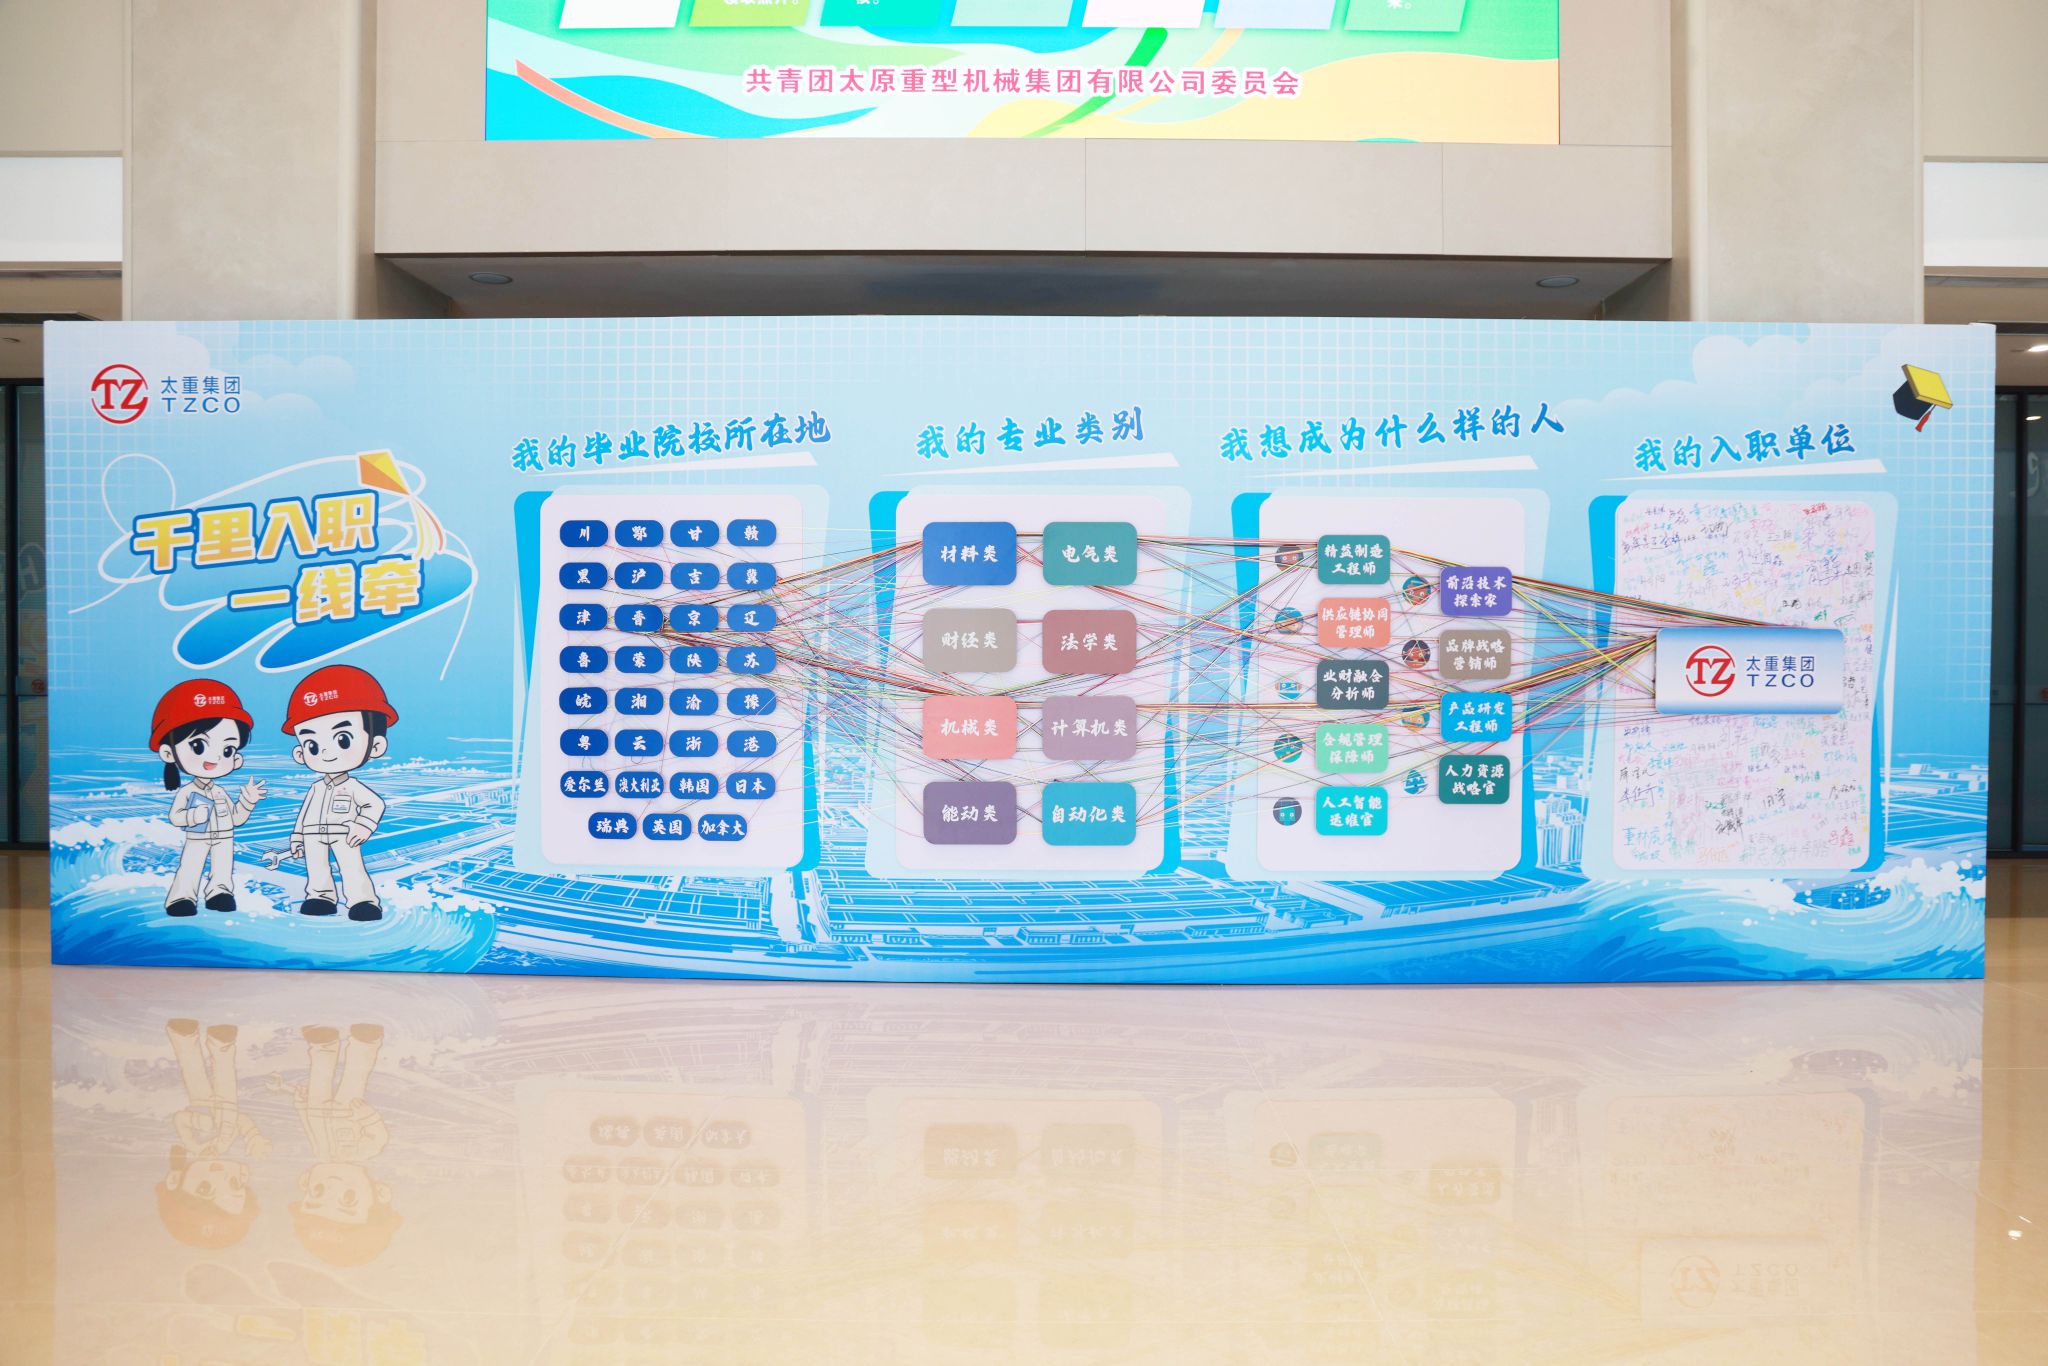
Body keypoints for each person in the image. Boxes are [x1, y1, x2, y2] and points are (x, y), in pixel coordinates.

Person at [283, 665, 397, 922]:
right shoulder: (316, 787)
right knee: (316, 868)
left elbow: (375, 804)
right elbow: (304, 814)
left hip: (344, 833)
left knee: (351, 867)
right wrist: (297, 837)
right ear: (300, 752)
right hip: (312, 834)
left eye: (343, 739)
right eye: (312, 744)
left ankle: (362, 901)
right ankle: (320, 897)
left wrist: (364, 826)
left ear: (376, 745)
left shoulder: (353, 786)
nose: (325, 753)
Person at [281, 1023, 402, 1266]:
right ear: (379, 1194)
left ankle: (323, 1046)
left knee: (319, 1078)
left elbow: (310, 1131)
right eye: (348, 1198)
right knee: (354, 1080)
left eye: (317, 1192)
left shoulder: (321, 1153)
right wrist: (368, 1117)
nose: (332, 1185)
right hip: (349, 1113)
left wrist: (301, 1105)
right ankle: (365, 1044)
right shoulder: (361, 1153)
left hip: (317, 1111)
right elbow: (378, 1138)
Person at [150, 679, 264, 916]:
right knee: (190, 868)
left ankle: (219, 893)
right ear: (168, 753)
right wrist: (193, 816)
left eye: (227, 750)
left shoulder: (220, 792)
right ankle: (181, 898)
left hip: (224, 838)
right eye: (199, 746)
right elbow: (175, 817)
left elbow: (236, 819)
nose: (215, 758)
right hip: (198, 838)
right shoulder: (188, 791)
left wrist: (248, 801)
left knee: (223, 869)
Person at [155, 1018, 270, 1249]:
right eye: (234, 1184)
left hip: (201, 1102)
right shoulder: (224, 1144)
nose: (222, 1177)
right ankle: (222, 1046)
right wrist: (254, 1136)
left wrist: (199, 1121)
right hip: (227, 1103)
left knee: (194, 1072)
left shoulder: (193, 1144)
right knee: (226, 1077)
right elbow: (239, 1120)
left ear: (176, 1179)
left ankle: (184, 1038)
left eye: (205, 1188)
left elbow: (180, 1119)